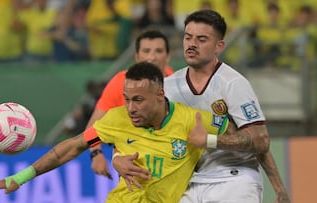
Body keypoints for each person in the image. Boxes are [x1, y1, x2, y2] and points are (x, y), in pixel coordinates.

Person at [0, 62, 229, 203]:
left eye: (138, 100)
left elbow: (248, 136)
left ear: (159, 95)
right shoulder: (115, 120)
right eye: (126, 99)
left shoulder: (192, 120)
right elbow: (71, 147)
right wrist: (19, 178)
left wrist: (208, 140)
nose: (130, 108)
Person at [113, 10, 291, 203]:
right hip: (191, 182)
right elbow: (134, 128)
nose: (192, 44)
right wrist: (117, 158)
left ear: (218, 46)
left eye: (201, 39)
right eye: (188, 37)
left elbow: (260, 140)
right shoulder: (169, 86)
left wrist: (209, 140)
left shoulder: (232, 83)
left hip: (234, 179)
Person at [87, 29, 174, 178]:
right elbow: (92, 127)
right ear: (137, 56)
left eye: (158, 51)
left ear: (168, 56)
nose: (152, 57)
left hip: (172, 169)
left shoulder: (178, 83)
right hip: (134, 171)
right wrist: (96, 154)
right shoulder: (120, 82)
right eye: (146, 51)